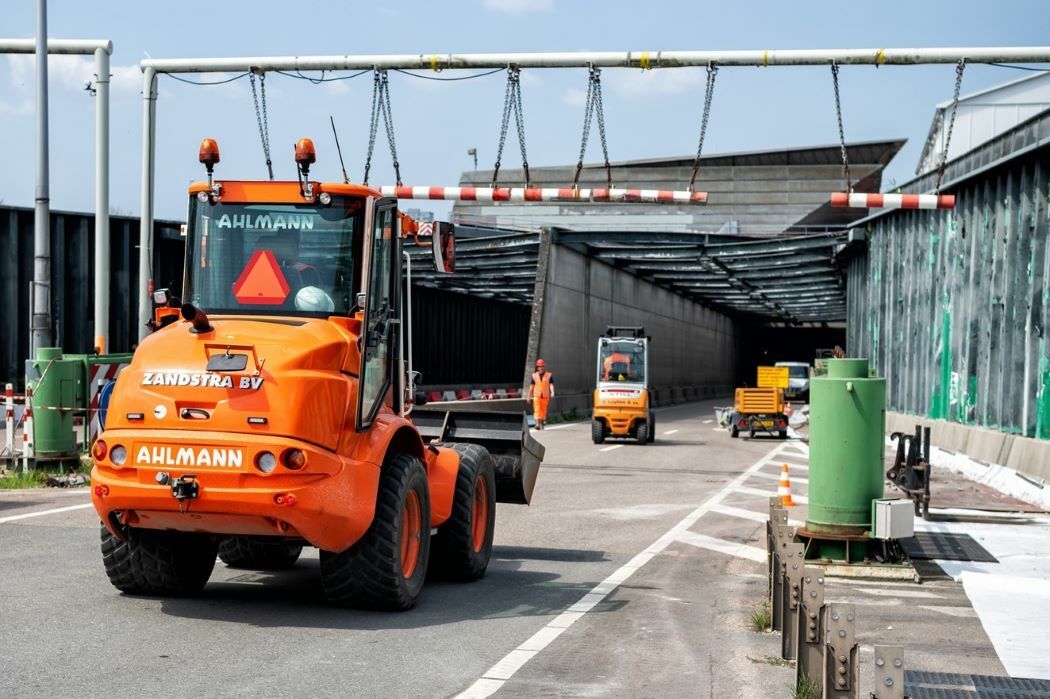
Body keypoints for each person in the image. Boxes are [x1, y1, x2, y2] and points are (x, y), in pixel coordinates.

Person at [527, 358, 555, 430]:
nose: (541, 367)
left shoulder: (549, 375)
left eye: (542, 366)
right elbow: (531, 387)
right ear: (537, 367)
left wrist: (552, 392)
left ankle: (541, 423)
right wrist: (529, 397)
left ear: (543, 366)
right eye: (539, 366)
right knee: (537, 409)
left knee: (543, 410)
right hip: (536, 396)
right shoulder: (534, 376)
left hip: (545, 396)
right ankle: (537, 424)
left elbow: (551, 385)